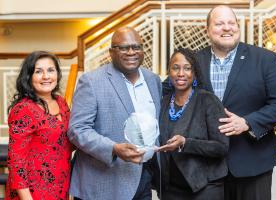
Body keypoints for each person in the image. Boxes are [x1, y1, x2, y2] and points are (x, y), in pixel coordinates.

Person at [163, 5, 276, 200]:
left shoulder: (264, 59)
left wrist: (247, 123)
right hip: (207, 170)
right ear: (207, 30)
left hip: (252, 164)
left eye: (231, 23)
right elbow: (168, 87)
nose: (227, 28)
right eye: (219, 23)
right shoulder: (196, 61)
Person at [67, 27, 162, 200]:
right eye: (124, 48)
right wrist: (113, 149)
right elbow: (77, 130)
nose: (131, 52)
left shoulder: (153, 80)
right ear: (111, 52)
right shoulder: (91, 81)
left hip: (143, 179)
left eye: (136, 47)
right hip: (102, 184)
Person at [155, 48, 228, 200]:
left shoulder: (208, 101)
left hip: (205, 187)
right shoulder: (163, 103)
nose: (181, 73)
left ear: (194, 73)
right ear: (169, 72)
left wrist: (185, 143)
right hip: (170, 189)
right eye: (176, 68)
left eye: (187, 68)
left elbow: (221, 147)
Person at [5, 51, 73, 200]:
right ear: (28, 77)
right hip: (32, 191)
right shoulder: (23, 109)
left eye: (50, 70)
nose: (46, 76)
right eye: (38, 71)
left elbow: (67, 141)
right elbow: (16, 162)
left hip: (60, 185)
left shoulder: (61, 102)